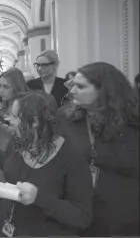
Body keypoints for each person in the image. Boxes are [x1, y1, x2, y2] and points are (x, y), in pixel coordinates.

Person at [0, 91, 93, 236]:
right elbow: (6, 163)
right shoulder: (18, 142)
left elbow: (82, 217)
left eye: (15, 117)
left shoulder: (72, 158)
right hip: (7, 227)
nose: (9, 120)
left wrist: (38, 197)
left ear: (35, 121)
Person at [57, 62, 139, 236]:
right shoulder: (65, 119)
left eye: (80, 86)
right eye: (72, 86)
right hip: (77, 211)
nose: (72, 91)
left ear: (103, 90)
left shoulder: (132, 124)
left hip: (122, 214)